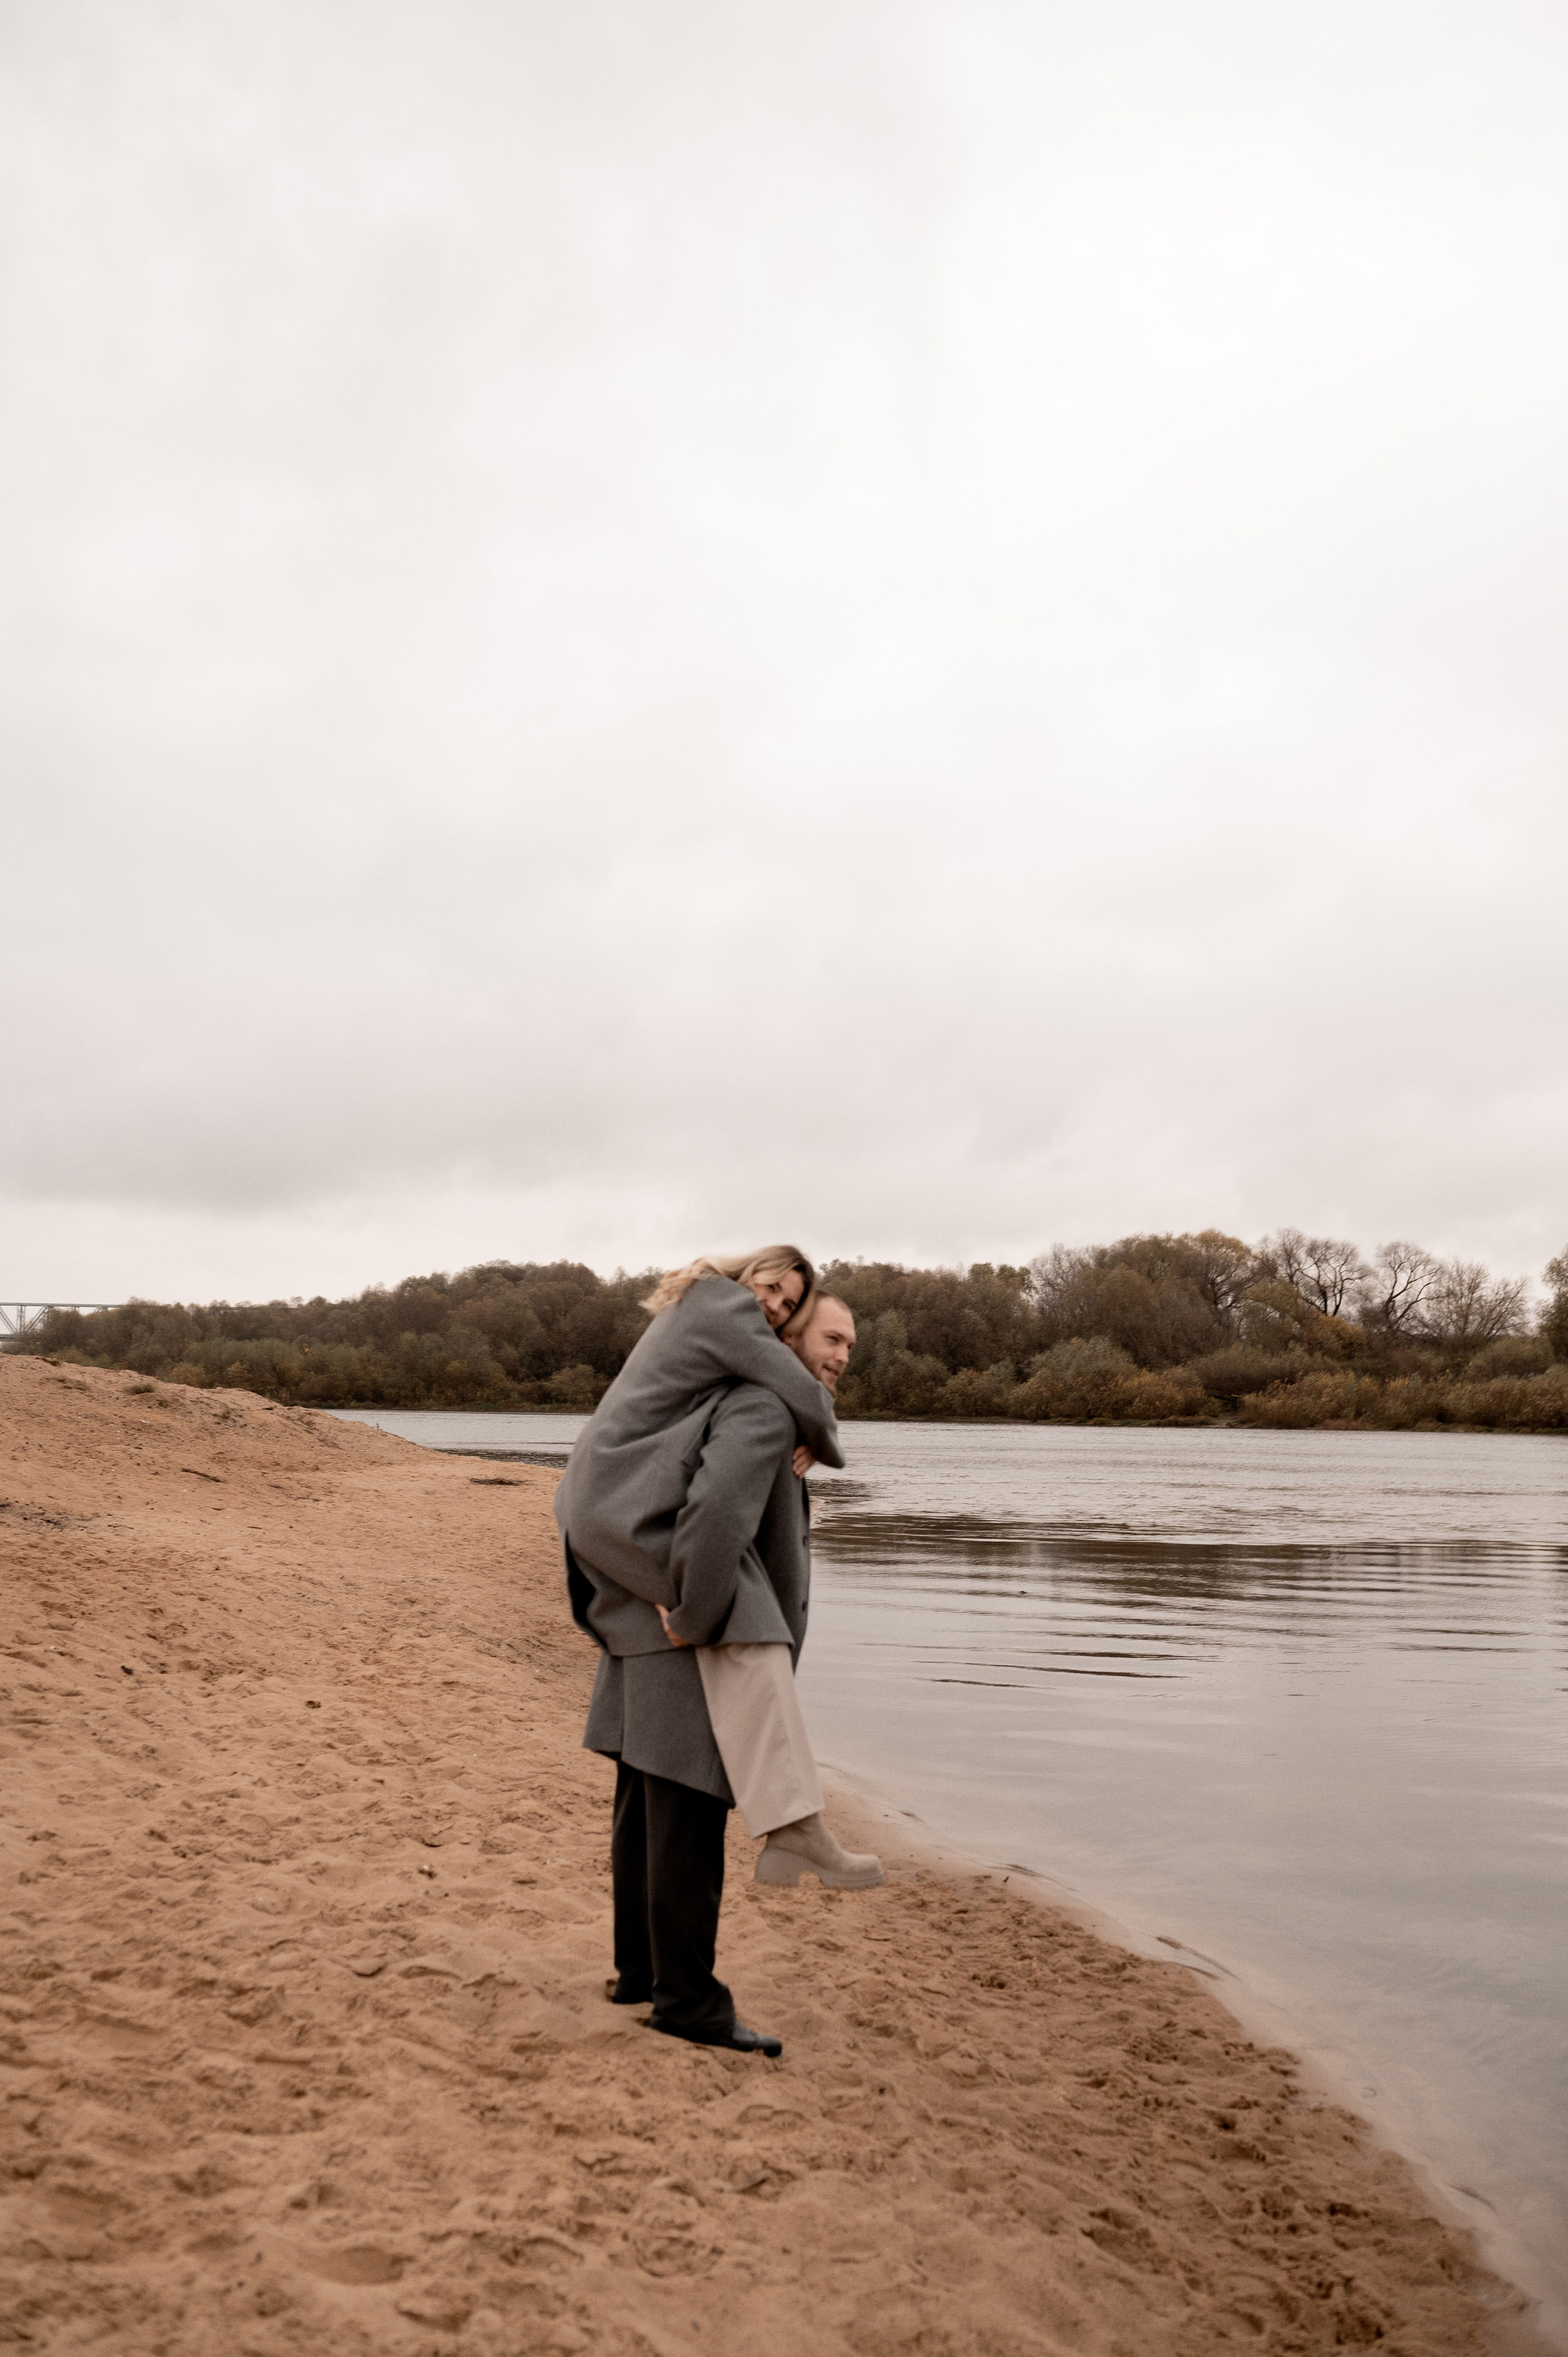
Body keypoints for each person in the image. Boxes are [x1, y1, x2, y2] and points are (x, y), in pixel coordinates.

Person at [557, 1252, 878, 2059]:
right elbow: (712, 1519)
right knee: (688, 1814)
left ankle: (641, 1973)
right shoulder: (762, 1408)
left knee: (643, 1803)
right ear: (786, 1337)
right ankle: (690, 2003)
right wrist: (697, 1617)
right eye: (830, 1338)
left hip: (644, 1608)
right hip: (687, 1630)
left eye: (851, 1347)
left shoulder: (727, 1390)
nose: (840, 1357)